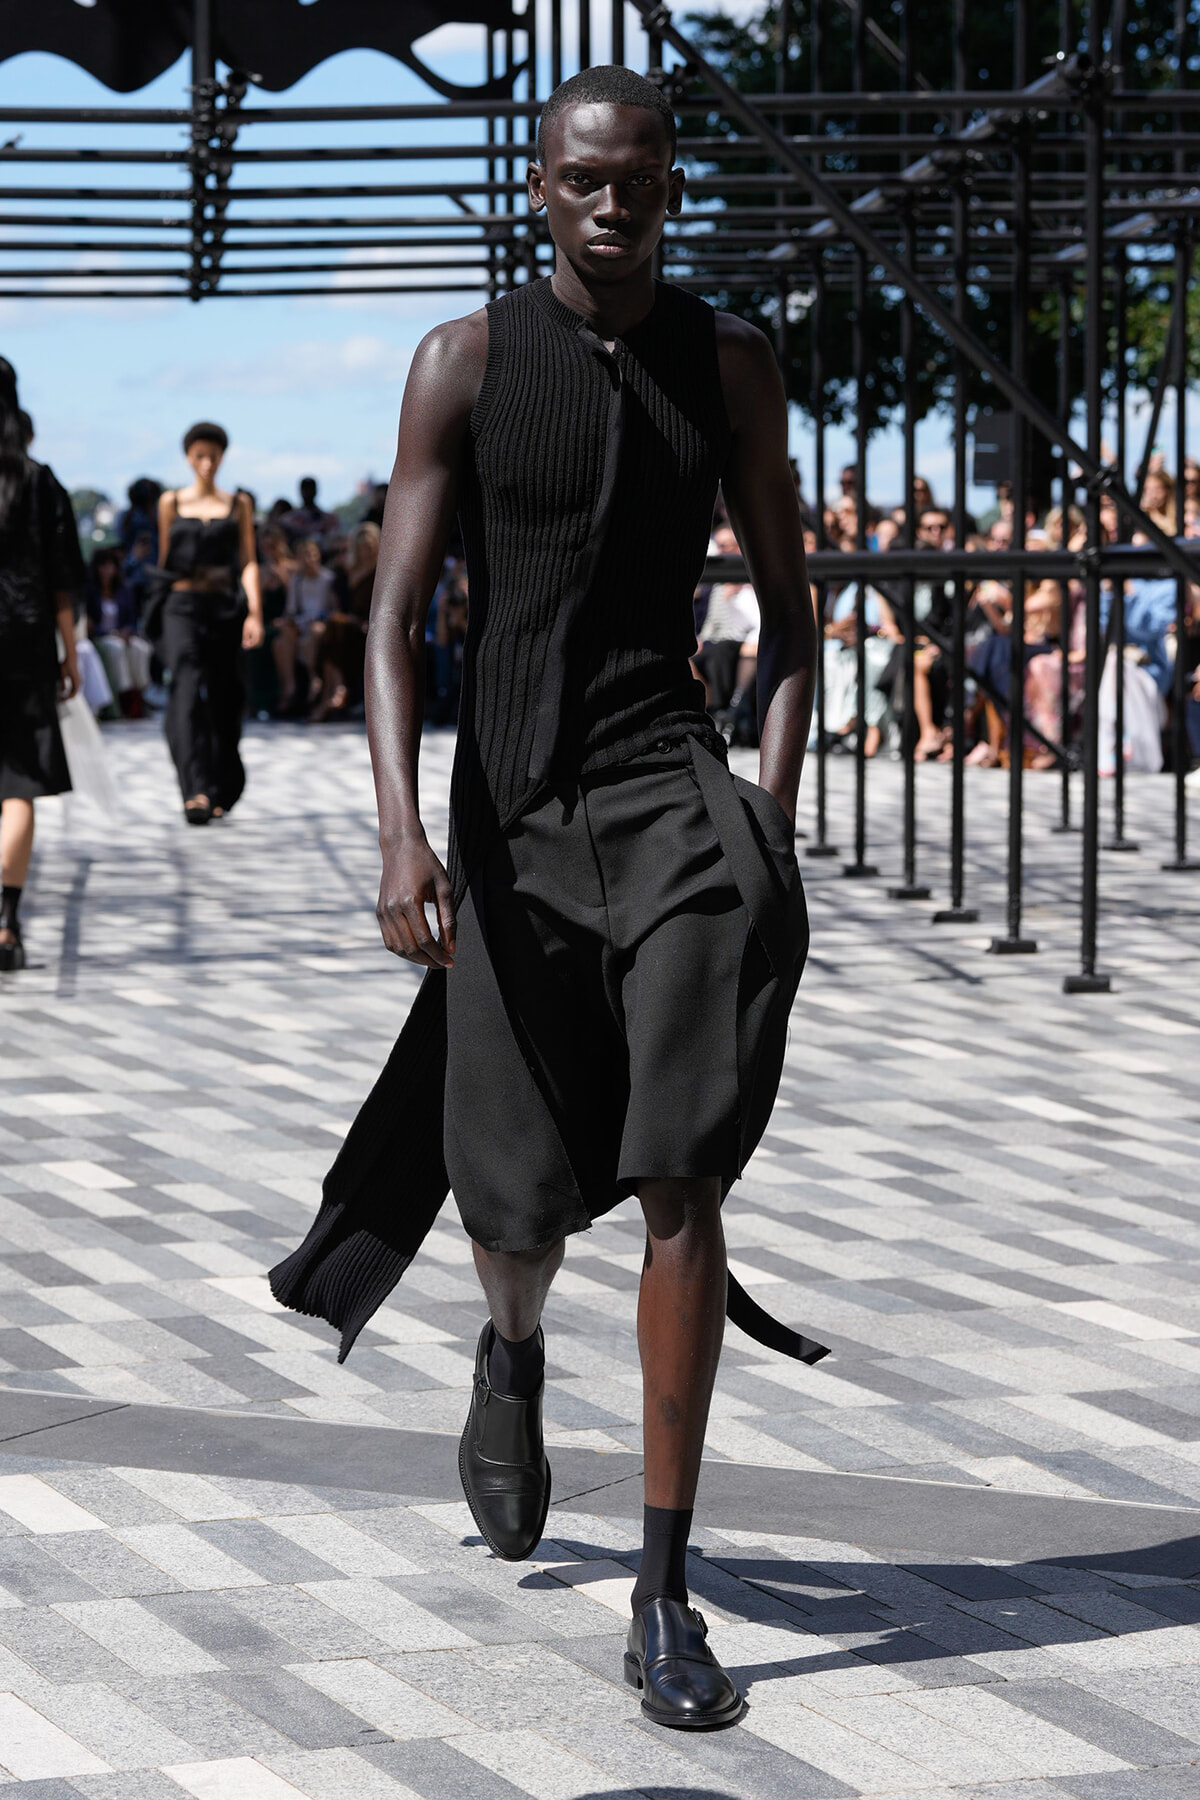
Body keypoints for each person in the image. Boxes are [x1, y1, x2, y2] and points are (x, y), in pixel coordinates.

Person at [271, 65, 824, 1731]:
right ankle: (510, 1349)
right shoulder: (464, 363)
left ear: (672, 187)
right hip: (508, 812)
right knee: (512, 1203)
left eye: (640, 180)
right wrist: (398, 834)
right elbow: (392, 624)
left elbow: (796, 621)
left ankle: (663, 1591)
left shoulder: (729, 363)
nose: (612, 202)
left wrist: (768, 830)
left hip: (672, 798)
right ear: (537, 187)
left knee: (677, 1172)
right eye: (583, 178)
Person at [0, 362, 81, 971]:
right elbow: (61, 581)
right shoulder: (39, 481)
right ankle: (5, 922)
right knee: (19, 786)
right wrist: (69, 654)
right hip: (26, 645)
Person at [155, 422, 263, 824]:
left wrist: (254, 612)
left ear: (222, 456)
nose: (206, 463)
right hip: (180, 605)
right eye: (199, 455)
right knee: (183, 690)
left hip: (224, 606)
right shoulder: (171, 503)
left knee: (225, 697)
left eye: (213, 455)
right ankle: (194, 789)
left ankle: (221, 784)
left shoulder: (238, 504)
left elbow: (248, 560)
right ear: (188, 458)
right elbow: (167, 558)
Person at [310, 521, 379, 721]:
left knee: (334, 626)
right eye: (362, 546)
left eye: (369, 546)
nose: (366, 551)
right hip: (346, 626)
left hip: (368, 626)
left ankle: (330, 690)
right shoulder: (347, 572)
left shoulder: (381, 573)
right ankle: (335, 689)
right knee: (333, 627)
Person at [86, 546, 153, 716]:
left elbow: (132, 619)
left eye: (111, 566)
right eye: (104, 566)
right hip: (102, 636)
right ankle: (125, 693)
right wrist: (110, 633)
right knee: (117, 649)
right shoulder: (91, 591)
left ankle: (141, 689)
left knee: (141, 648)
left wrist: (126, 631)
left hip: (123, 634)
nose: (108, 570)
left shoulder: (124, 589)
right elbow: (90, 623)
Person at [274, 536, 336, 713]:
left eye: (311, 554)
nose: (308, 559)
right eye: (303, 555)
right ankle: (290, 685)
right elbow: (292, 609)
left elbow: (332, 609)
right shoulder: (297, 580)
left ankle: (313, 677)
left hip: (320, 624)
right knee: (281, 639)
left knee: (314, 632)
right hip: (301, 623)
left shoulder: (328, 579)